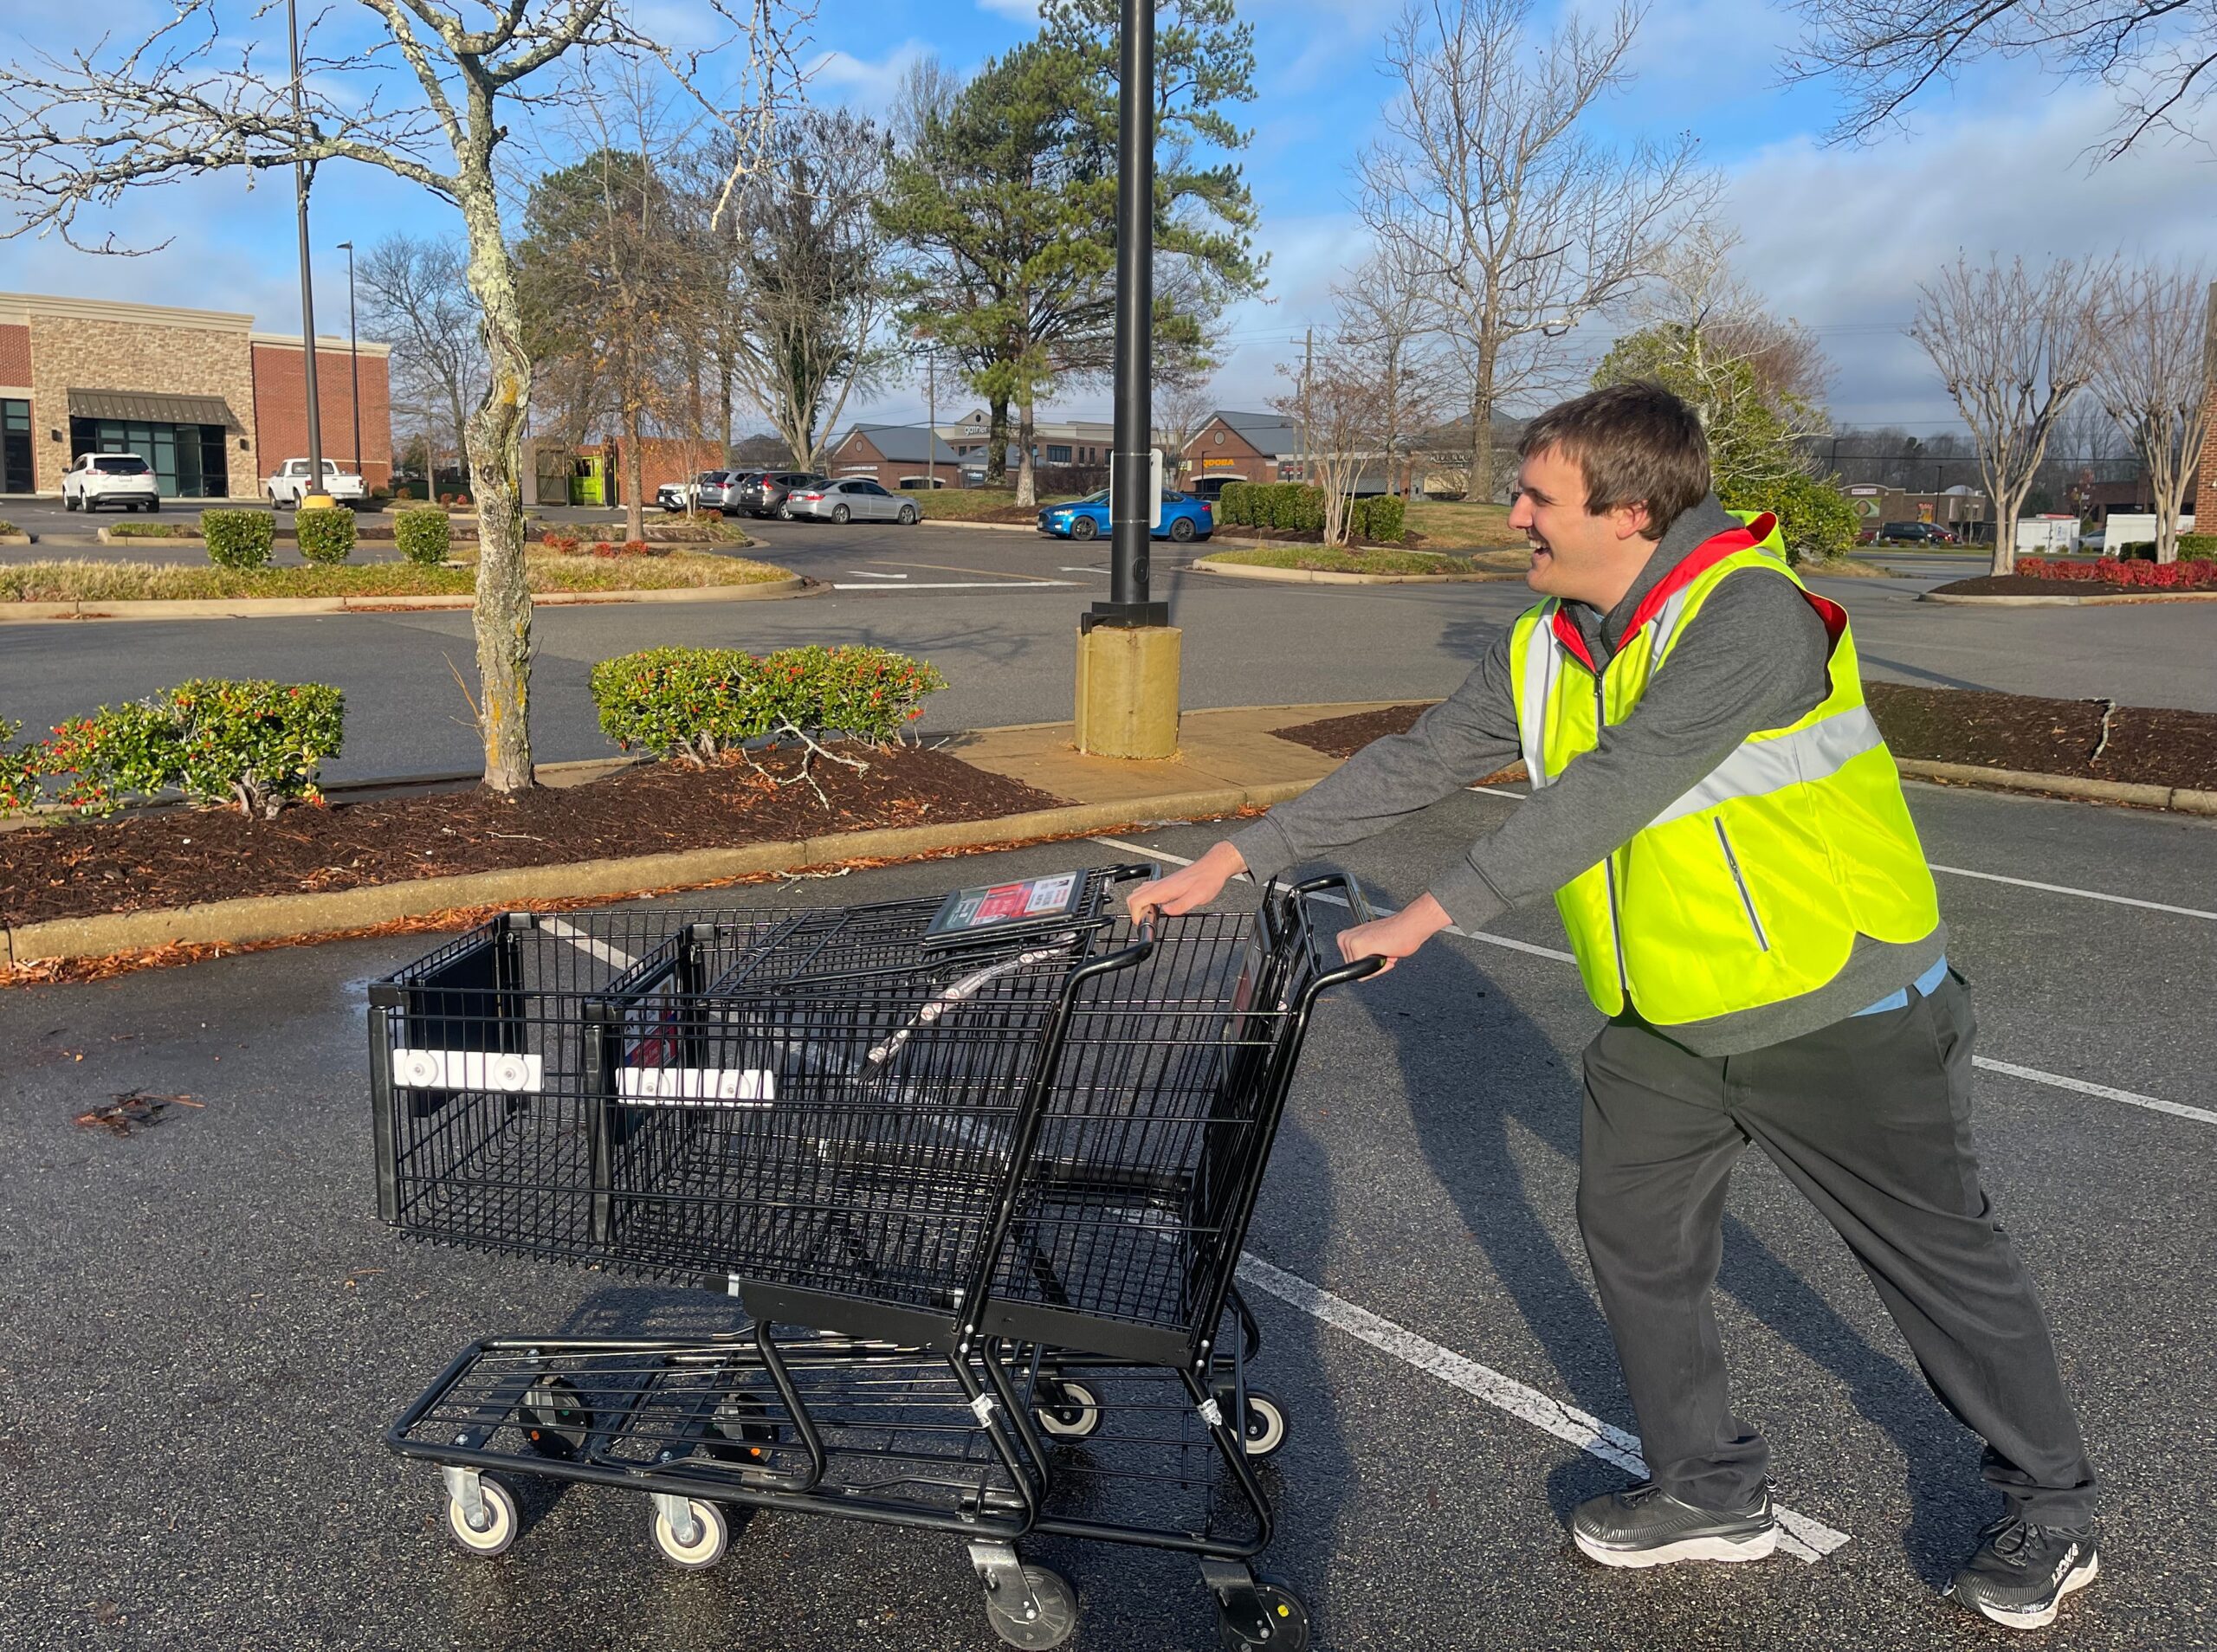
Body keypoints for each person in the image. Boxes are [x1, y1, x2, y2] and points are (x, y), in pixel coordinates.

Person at [1128, 383, 2098, 1631]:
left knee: (1936, 1266)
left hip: (1835, 1006)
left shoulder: (1751, 616)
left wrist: (1430, 914)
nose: (1514, 512)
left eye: (1538, 495)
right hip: (1667, 1016)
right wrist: (1241, 855)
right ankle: (1709, 1489)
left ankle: (2055, 1506)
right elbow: (1424, 755)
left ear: (1630, 510)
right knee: (1635, 1237)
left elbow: (1623, 784)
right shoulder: (1549, 638)